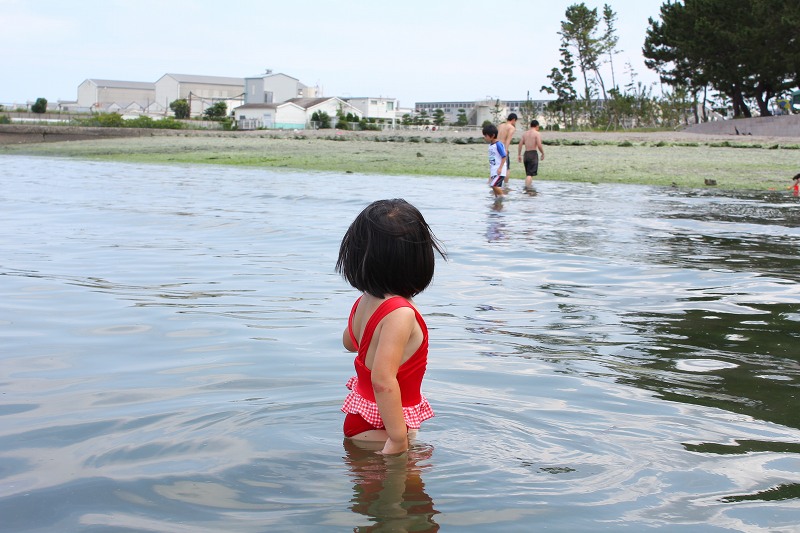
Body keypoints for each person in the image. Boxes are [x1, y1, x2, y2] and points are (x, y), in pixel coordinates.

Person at [336, 199, 446, 455]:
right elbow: (383, 380)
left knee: (369, 493)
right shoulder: (401, 314)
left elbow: (350, 343)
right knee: (409, 491)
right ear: (418, 260)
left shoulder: (366, 300)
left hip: (363, 419)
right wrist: (398, 438)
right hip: (385, 428)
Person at [518, 119, 545, 190]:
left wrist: (519, 154)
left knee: (528, 174)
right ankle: (527, 189)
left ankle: (528, 188)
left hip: (526, 154)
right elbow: (539, 145)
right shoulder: (537, 134)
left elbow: (520, 144)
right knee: (530, 174)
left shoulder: (525, 134)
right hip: (533, 153)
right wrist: (542, 153)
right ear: (537, 126)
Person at [482, 123, 507, 197]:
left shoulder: (498, 144)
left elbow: (504, 156)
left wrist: (500, 168)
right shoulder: (490, 145)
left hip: (499, 171)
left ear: (492, 135)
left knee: (493, 185)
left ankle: (504, 197)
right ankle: (497, 204)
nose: (485, 137)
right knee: (495, 190)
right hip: (494, 170)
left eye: (486, 136)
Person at [497, 113, 517, 188]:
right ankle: (506, 185)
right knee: (506, 168)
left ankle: (491, 183)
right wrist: (506, 149)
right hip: (502, 147)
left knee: (496, 166)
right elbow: (508, 140)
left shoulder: (500, 125)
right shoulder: (511, 128)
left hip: (496, 146)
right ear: (514, 120)